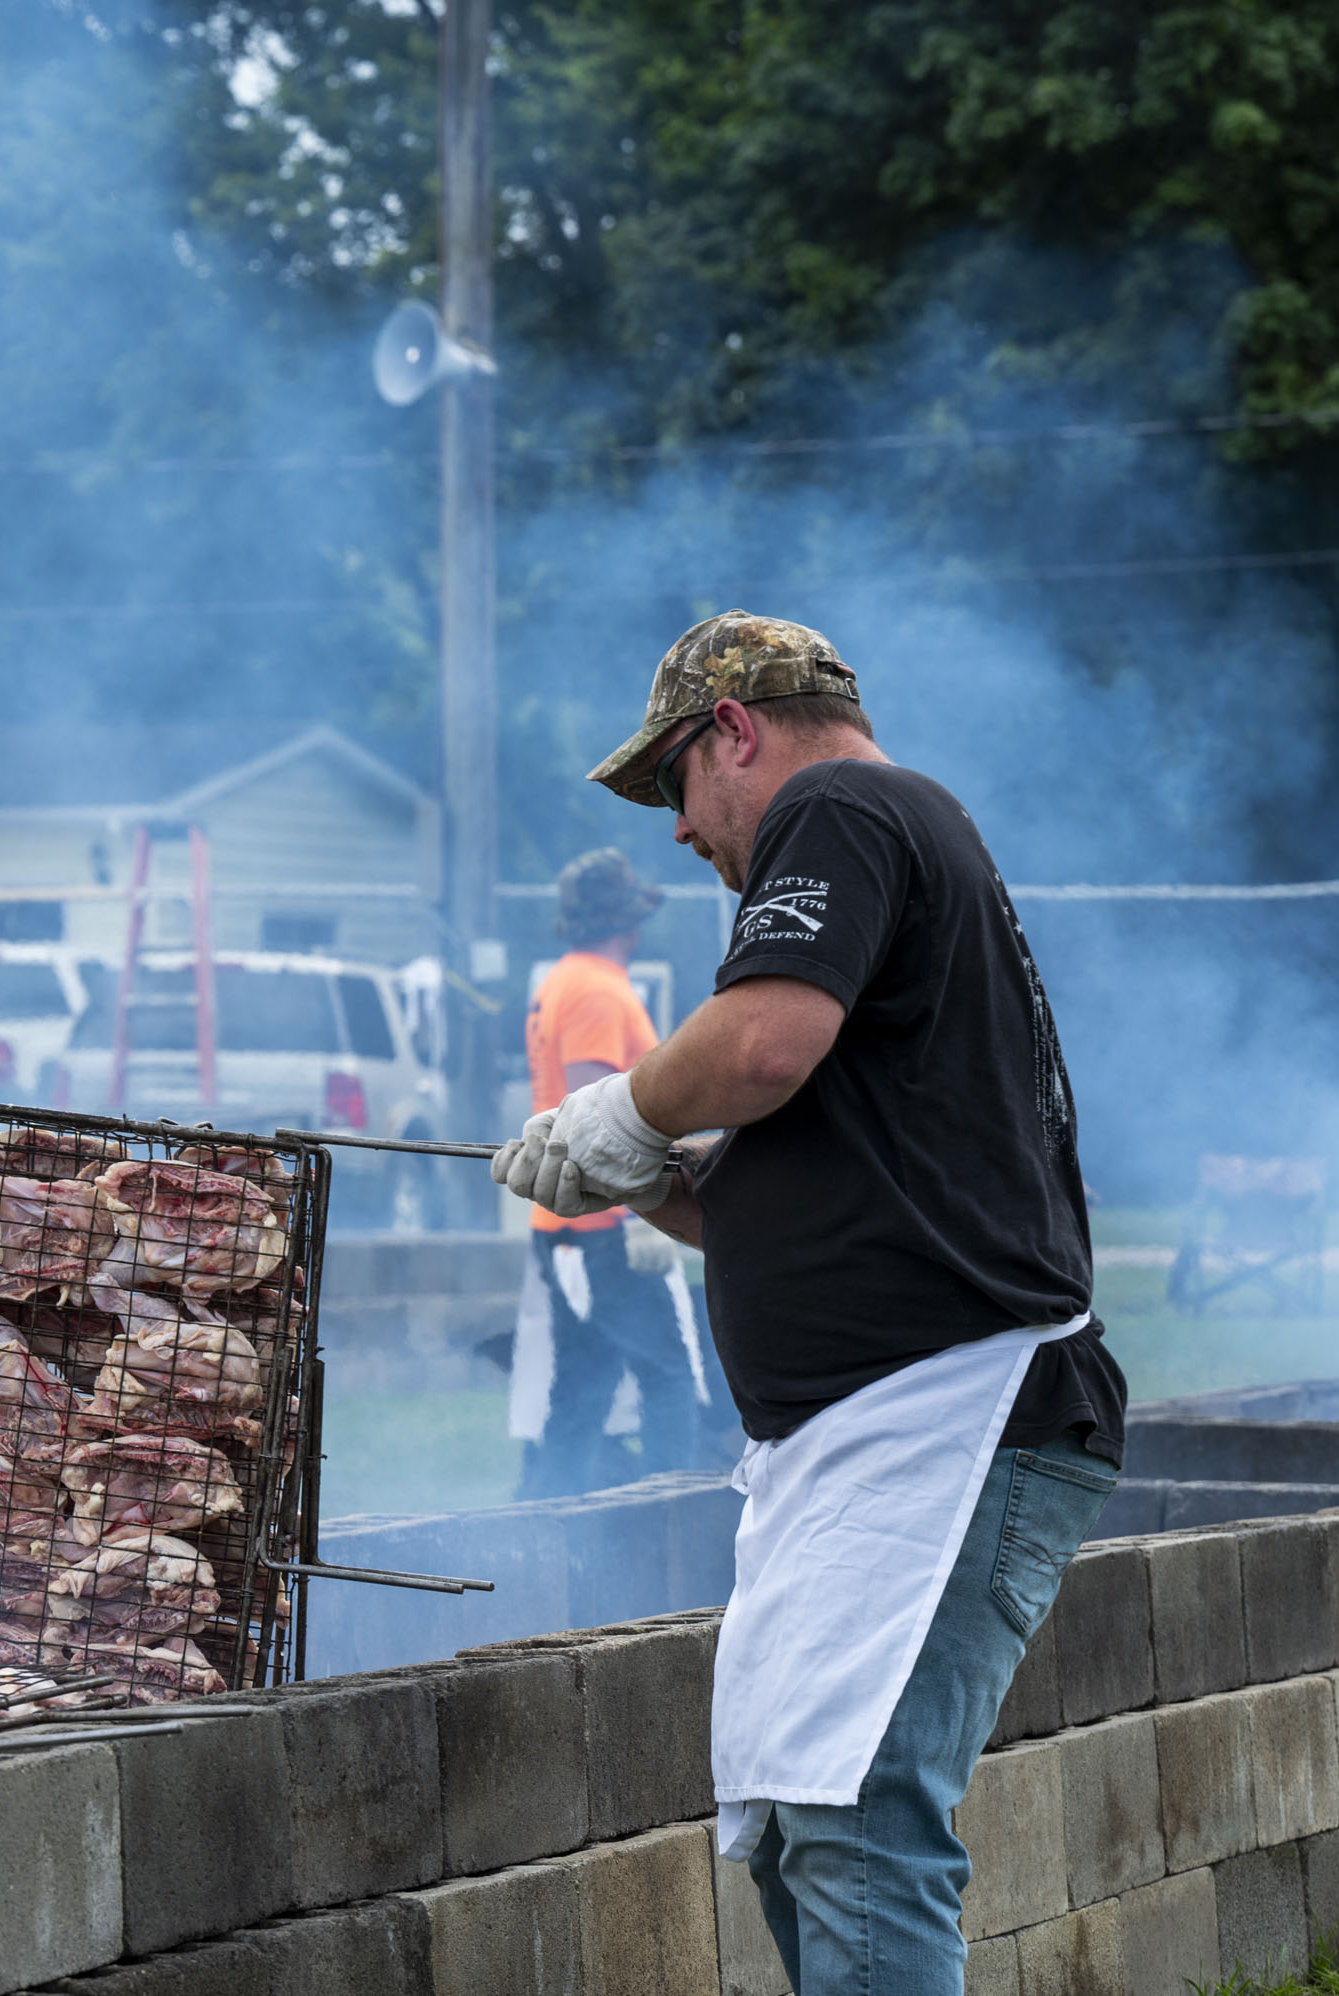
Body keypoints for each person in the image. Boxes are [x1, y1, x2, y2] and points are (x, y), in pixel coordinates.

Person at [493, 612, 1125, 1995]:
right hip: (865, 1437)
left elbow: (765, 1044)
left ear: (732, 728)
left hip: (952, 1415)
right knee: (799, 1830)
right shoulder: (892, 837)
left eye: (672, 783)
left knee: (857, 1823)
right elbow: (779, 1184)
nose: (675, 831)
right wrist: (639, 1170)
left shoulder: (842, 803)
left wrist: (619, 1108)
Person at [511, 847, 707, 1496]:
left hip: (578, 1223)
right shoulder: (596, 989)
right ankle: (668, 1512)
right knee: (668, 1374)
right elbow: (594, 1113)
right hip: (604, 1227)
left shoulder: (568, 979)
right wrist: (638, 1212)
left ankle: (551, 1518)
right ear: (627, 920)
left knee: (583, 1382)